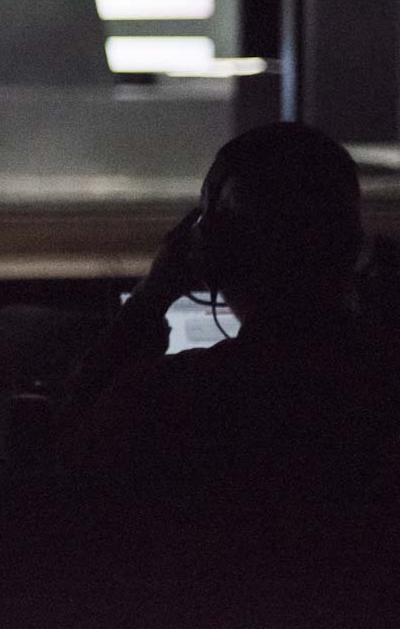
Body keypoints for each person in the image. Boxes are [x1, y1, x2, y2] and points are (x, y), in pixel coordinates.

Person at [63, 121, 400, 491]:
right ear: (352, 245)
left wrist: (153, 294)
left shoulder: (168, 402)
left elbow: (71, 442)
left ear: (213, 249)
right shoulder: (380, 388)